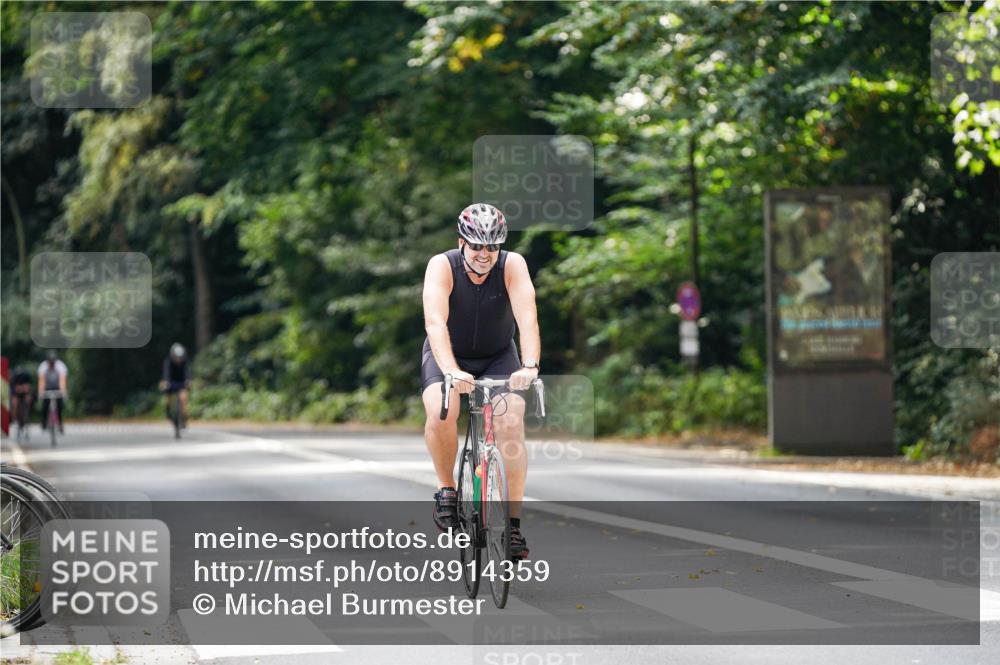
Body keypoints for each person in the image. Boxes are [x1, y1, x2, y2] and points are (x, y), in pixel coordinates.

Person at [421, 203, 541, 559]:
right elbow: (434, 324)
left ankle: (514, 527)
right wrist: (450, 370)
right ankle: (446, 489)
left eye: (493, 246)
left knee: (510, 423)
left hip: (498, 355)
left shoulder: (512, 265)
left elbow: (528, 317)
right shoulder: (441, 266)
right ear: (461, 242)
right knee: (442, 409)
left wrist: (530, 365)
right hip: (448, 354)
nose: (485, 254)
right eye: (477, 246)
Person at [160, 343, 191, 428]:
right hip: (171, 382)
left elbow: (187, 372)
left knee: (183, 398)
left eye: (180, 357)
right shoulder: (168, 361)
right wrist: (165, 382)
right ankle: (168, 412)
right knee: (167, 397)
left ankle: (184, 417)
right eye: (176, 357)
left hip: (181, 382)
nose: (178, 359)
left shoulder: (185, 361)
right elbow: (166, 373)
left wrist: (188, 381)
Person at [37, 350, 68, 433]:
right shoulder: (43, 367)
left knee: (59, 405)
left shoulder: (60, 366)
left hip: (57, 387)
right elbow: (42, 381)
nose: (51, 364)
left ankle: (60, 423)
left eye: (53, 362)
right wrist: (41, 392)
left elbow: (62, 381)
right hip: (47, 387)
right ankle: (44, 422)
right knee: (45, 405)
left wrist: (63, 392)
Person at [10, 365, 33, 436]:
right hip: (16, 393)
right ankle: (14, 417)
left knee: (28, 400)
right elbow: (14, 389)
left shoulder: (26, 377)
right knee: (15, 403)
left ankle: (27, 414)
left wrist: (26, 392)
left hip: (25, 392)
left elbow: (29, 387)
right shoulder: (14, 378)